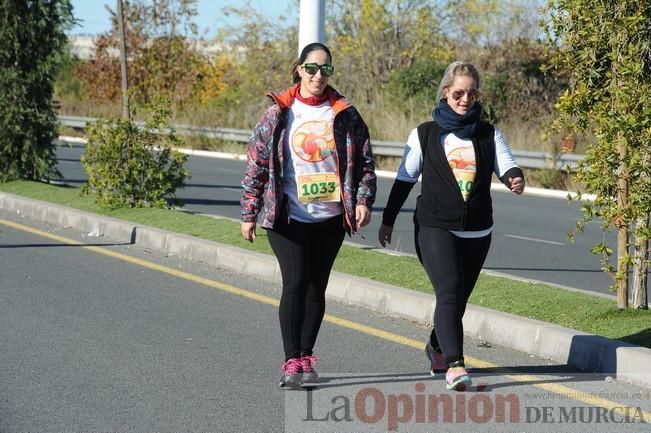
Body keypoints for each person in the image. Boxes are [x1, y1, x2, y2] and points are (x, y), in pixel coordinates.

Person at [378, 61, 525, 391]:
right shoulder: (425, 133)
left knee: (457, 300)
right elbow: (404, 179)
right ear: (446, 92)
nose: (465, 99)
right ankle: (455, 365)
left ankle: (436, 346)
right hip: (434, 226)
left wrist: (516, 179)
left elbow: (508, 166)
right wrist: (388, 220)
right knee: (448, 290)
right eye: (459, 92)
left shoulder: (489, 133)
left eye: (472, 93)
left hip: (478, 230)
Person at [240, 42, 376, 389]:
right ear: (299, 69)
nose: (318, 75)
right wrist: (249, 210)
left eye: (325, 69)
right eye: (312, 68)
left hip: (329, 216)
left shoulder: (345, 113)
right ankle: (290, 360)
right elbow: (256, 162)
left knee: (317, 287)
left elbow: (364, 163)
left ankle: (306, 356)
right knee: (296, 282)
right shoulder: (279, 112)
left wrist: (362, 200)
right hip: (287, 214)